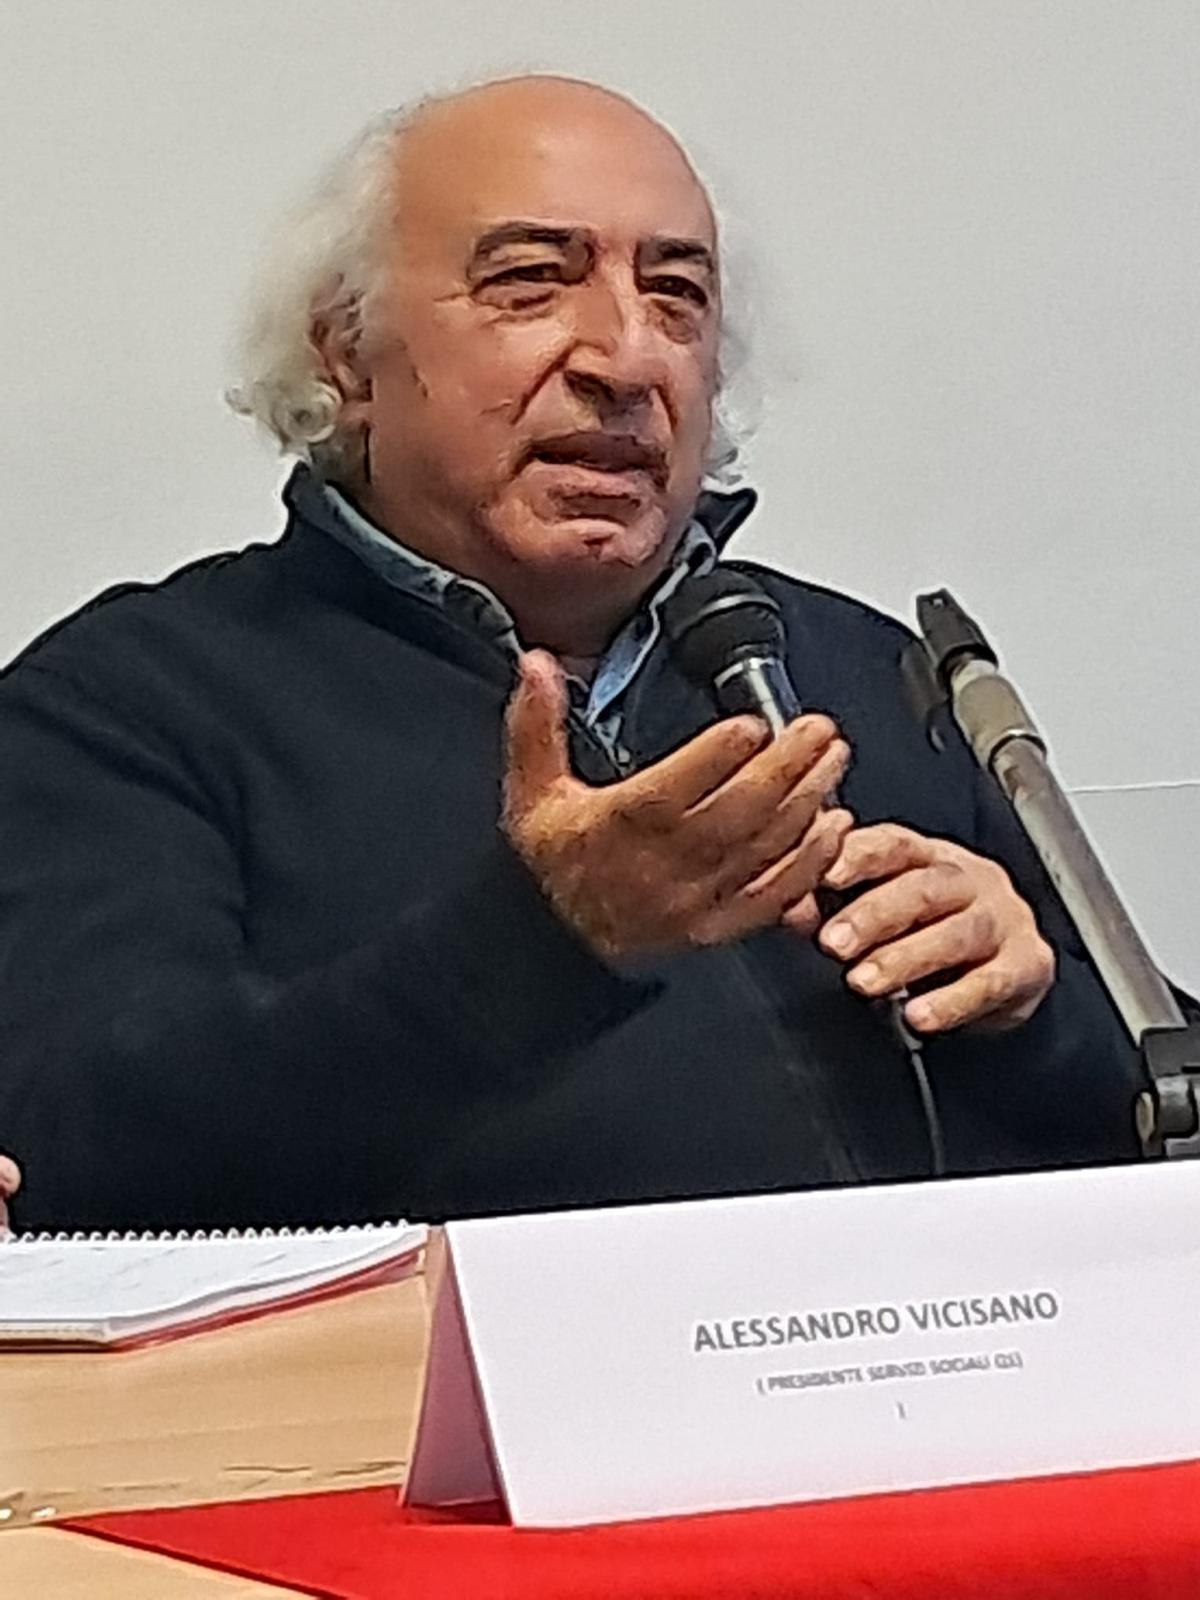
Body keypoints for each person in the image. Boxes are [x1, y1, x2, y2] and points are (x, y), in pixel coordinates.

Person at [0, 76, 1141, 1235]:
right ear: (347, 355)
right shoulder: (126, 701)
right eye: (531, 283)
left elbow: (1155, 1117)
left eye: (676, 296)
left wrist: (1034, 1013)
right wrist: (540, 941)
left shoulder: (867, 672)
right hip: (416, 1358)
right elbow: (80, 1157)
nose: (626, 359)